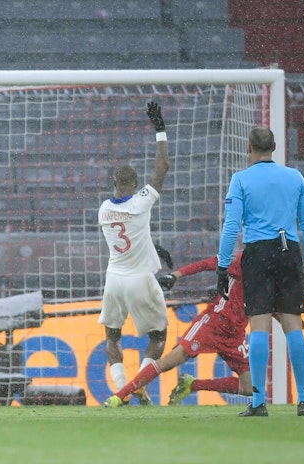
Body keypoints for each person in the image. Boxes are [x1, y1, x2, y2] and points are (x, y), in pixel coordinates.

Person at [218, 127, 304, 417]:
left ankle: (259, 402)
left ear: (248, 147)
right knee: (293, 325)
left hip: (258, 254)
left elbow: (231, 226)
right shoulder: (294, 177)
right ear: (274, 146)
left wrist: (223, 266)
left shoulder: (241, 180)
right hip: (288, 251)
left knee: (258, 325)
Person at [96, 101, 170, 406]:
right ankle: (138, 385)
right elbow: (162, 168)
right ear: (138, 185)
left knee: (112, 335)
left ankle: (120, 389)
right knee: (158, 337)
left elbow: (128, 234)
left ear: (113, 182)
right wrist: (160, 130)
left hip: (114, 279)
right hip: (140, 279)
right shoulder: (142, 203)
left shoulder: (103, 209)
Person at [103, 255, 251, 407]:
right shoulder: (243, 261)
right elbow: (207, 264)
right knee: (170, 361)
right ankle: (120, 396)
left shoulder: (272, 279)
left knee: (251, 386)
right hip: (213, 324)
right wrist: (175, 275)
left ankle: (192, 385)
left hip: (235, 336)